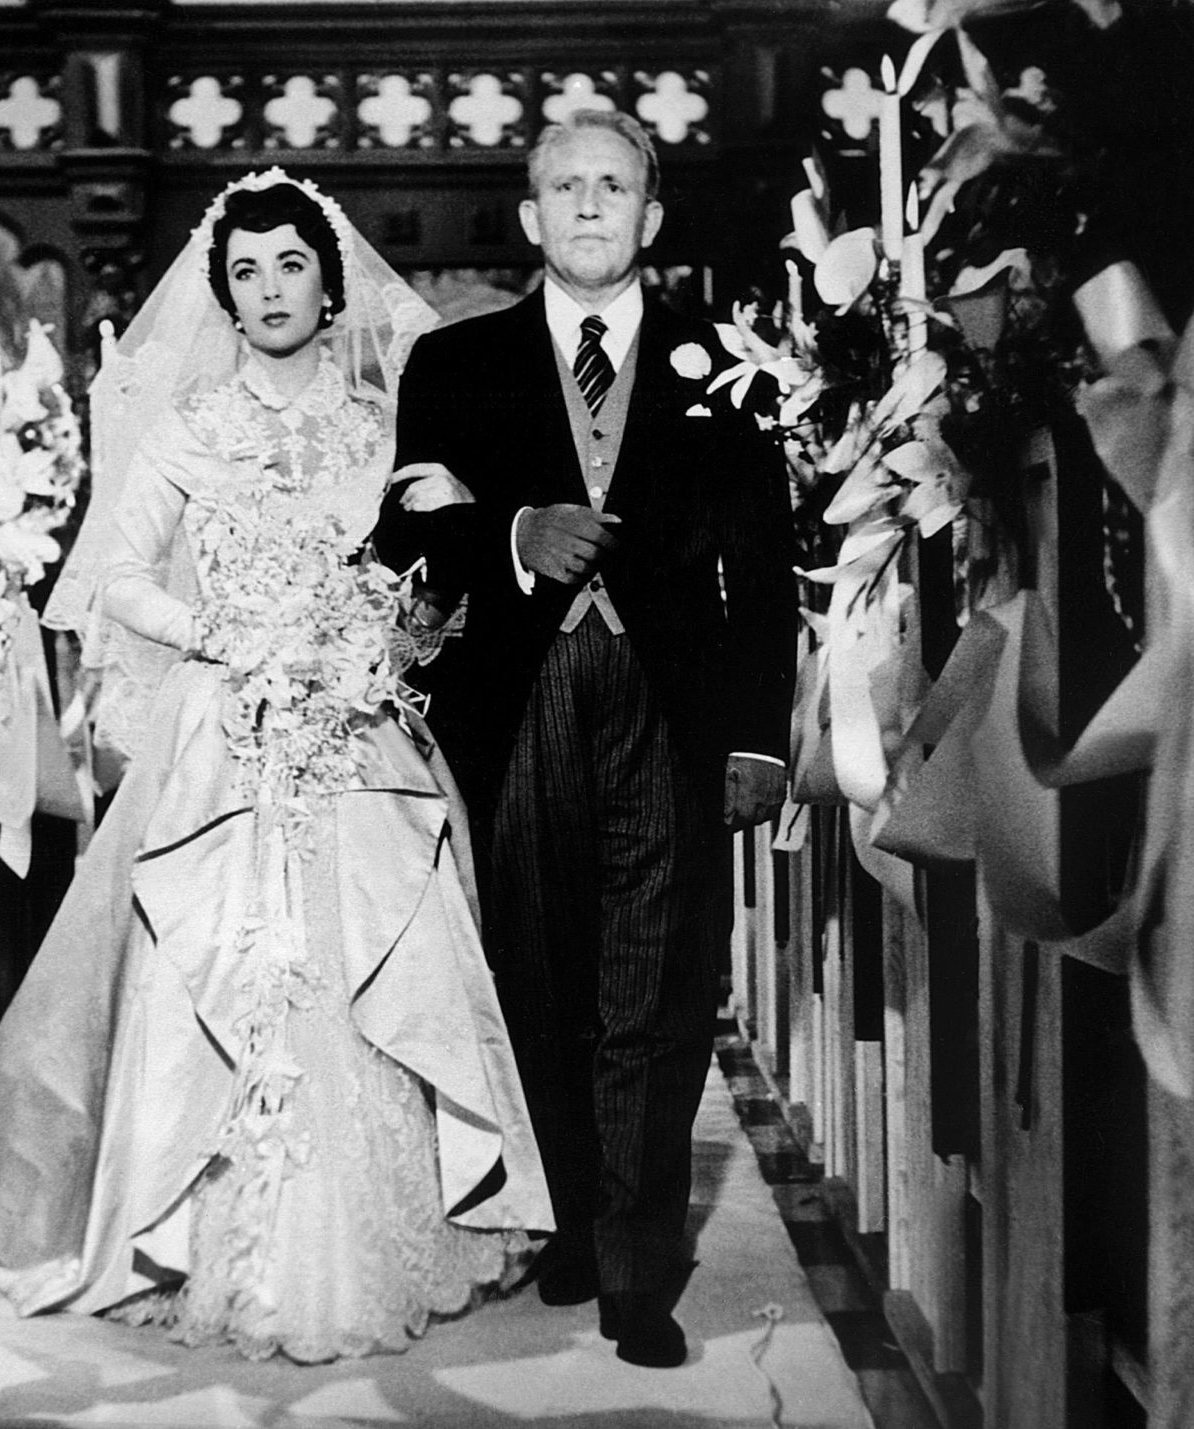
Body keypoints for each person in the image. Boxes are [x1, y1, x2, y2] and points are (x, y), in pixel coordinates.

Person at [0, 169, 553, 1365]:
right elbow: (113, 579)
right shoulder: (189, 429)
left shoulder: (381, 429)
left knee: (376, 956)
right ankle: (204, 1239)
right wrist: (226, 634)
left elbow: (426, 570)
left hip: (358, 726)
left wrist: (381, 630)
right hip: (227, 729)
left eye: (290, 265)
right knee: (225, 958)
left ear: (327, 281)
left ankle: (387, 1234)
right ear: (223, 294)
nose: (269, 290)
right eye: (246, 271)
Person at [373, 110, 796, 1368]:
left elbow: (763, 573)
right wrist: (510, 533)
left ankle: (637, 1268)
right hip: (519, 707)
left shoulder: (729, 364)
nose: (592, 206)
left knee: (656, 989)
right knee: (536, 975)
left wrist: (760, 739)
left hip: (670, 709)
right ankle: (565, 1216)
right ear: (530, 218)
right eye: (567, 186)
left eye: (616, 185)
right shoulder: (455, 365)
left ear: (652, 217)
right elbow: (400, 542)